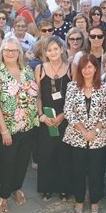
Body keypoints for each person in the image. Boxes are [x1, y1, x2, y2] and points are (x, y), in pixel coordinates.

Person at [0, 38, 39, 212]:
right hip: (8, 129)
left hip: (29, 126)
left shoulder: (27, 70)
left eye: (14, 50)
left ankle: (17, 188)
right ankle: (3, 195)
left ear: (19, 53)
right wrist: (4, 131)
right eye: (7, 50)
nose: (10, 53)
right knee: (7, 163)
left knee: (22, 161)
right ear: (1, 52)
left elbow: (35, 94)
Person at [63, 53, 106, 213]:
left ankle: (95, 201)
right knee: (78, 171)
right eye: (83, 67)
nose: (86, 70)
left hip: (99, 138)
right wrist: (83, 130)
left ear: (96, 68)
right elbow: (68, 111)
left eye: (90, 67)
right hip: (77, 137)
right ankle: (79, 201)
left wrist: (95, 130)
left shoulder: (104, 88)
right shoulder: (72, 86)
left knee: (97, 172)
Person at [35, 36, 72, 201]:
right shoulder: (40, 69)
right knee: (46, 153)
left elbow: (74, 95)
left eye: (55, 48)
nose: (53, 52)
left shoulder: (71, 68)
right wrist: (41, 115)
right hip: (46, 119)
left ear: (62, 49)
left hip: (65, 118)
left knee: (64, 154)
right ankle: (47, 188)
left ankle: (64, 188)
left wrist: (63, 115)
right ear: (45, 53)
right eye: (49, 50)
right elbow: (37, 96)